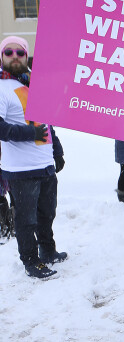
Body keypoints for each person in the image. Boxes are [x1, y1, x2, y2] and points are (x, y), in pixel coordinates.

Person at [0, 36, 66, 279]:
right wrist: (31, 133)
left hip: (45, 164)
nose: (15, 56)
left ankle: (48, 250)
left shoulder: (33, 83)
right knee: (26, 220)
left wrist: (56, 151)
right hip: (20, 169)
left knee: (47, 213)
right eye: (9, 52)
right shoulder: (1, 87)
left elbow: (47, 122)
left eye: (20, 52)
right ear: (2, 56)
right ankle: (30, 261)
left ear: (26, 55)